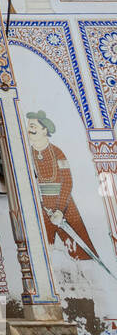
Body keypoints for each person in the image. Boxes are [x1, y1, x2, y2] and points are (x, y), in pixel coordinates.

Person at [26, 111, 98, 260]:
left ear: (44, 130)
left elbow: (67, 181)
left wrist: (59, 210)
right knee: (43, 251)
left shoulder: (57, 153)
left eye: (33, 126)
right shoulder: (27, 154)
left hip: (63, 204)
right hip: (40, 207)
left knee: (79, 249)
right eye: (29, 126)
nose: (29, 129)